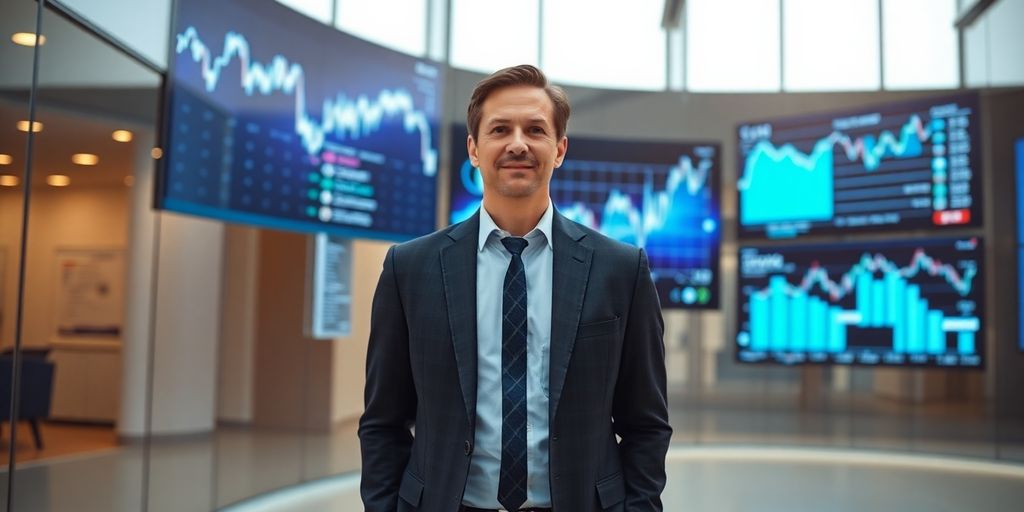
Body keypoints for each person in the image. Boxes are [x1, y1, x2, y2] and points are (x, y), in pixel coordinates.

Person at [359, 64, 671, 512]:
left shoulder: (620, 270)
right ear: (474, 148)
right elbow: (382, 422)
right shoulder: (409, 268)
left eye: (536, 130)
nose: (518, 143)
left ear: (559, 149)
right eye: (500, 129)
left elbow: (646, 424)